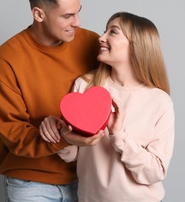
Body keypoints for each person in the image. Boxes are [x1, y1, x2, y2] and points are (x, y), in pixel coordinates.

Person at [0, 0, 103, 202]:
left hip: (87, 179)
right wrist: (63, 137)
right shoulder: (7, 59)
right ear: (38, 14)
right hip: (30, 183)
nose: (77, 22)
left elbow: (116, 94)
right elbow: (14, 132)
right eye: (67, 16)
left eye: (78, 12)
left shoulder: (92, 43)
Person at [39, 12, 175, 202]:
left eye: (113, 32)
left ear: (136, 45)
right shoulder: (84, 86)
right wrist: (58, 134)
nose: (101, 38)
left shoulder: (159, 101)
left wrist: (118, 136)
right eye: (105, 31)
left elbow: (155, 172)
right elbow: (74, 155)